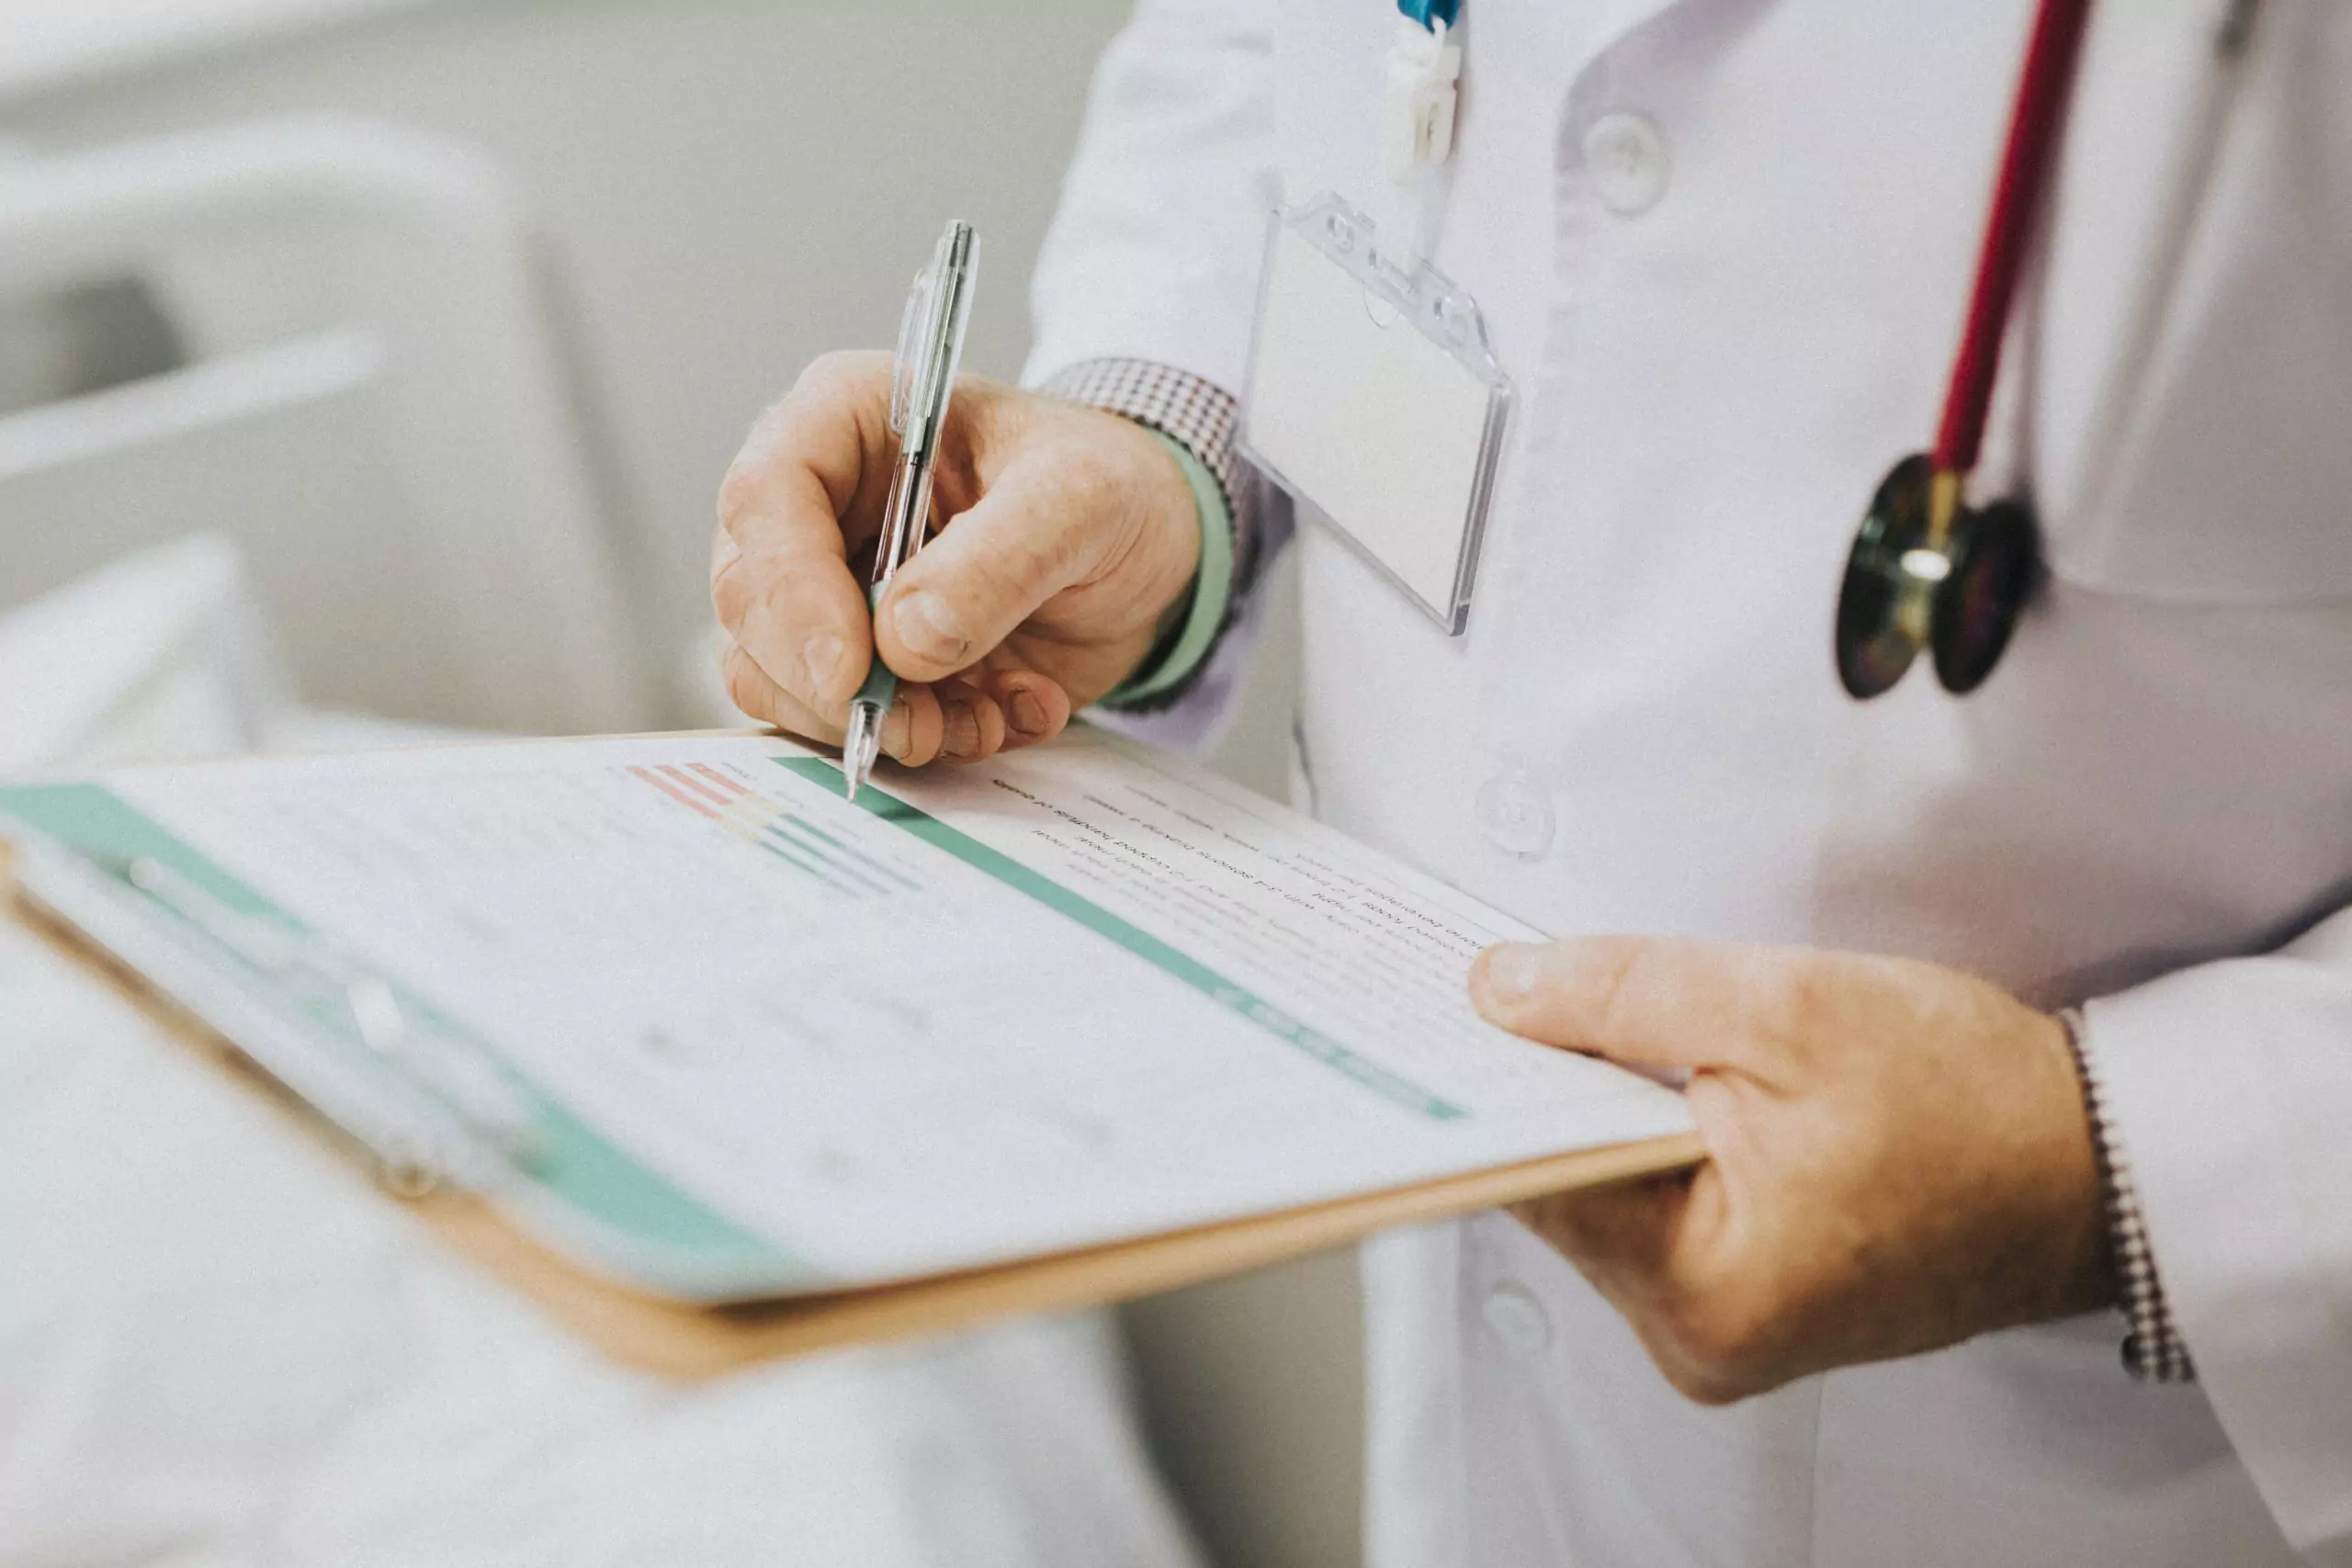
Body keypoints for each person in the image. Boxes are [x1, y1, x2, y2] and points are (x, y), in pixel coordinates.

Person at [707, 3, 2352, 1562]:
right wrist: (1162, 443)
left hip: (2143, 1450)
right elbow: (1261, 53)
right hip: (1466, 1298)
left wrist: (2118, 1166)